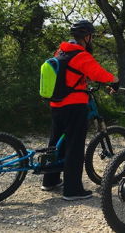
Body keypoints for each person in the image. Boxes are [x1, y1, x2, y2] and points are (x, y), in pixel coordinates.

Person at [42, 20, 119, 201]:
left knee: (55, 143)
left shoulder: (60, 51)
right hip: (74, 105)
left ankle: (50, 180)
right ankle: (72, 190)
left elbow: (69, 75)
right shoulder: (81, 55)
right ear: (87, 37)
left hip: (56, 103)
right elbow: (98, 73)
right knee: (74, 147)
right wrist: (114, 80)